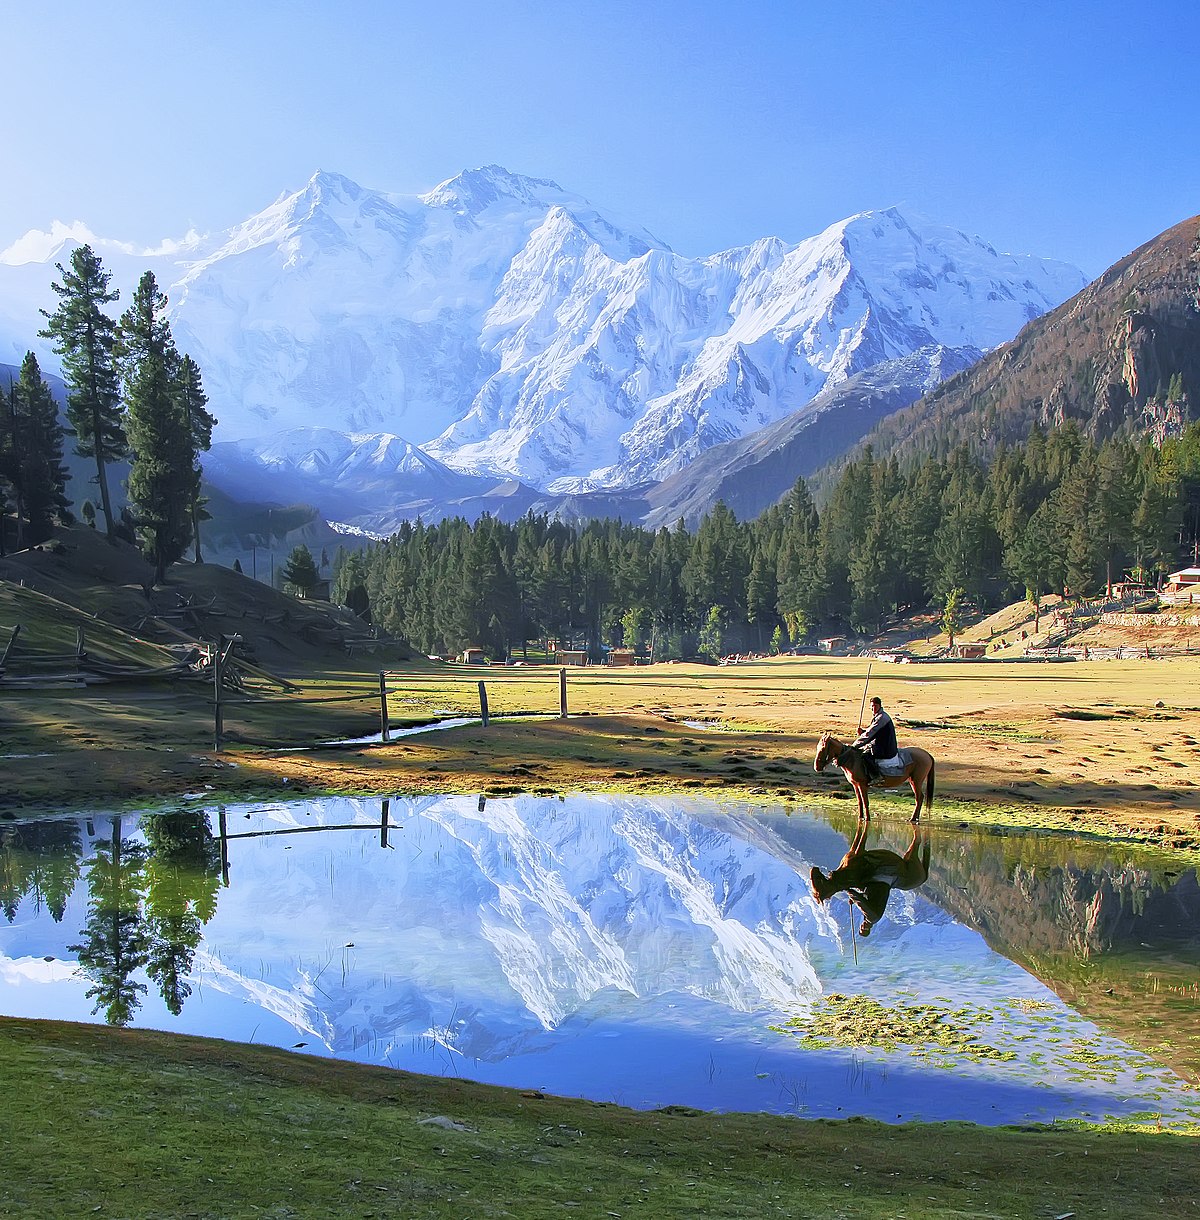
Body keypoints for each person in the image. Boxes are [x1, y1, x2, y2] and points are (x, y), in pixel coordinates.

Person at [809, 821, 930, 936]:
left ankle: (918, 832)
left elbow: (865, 904)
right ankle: (917, 834)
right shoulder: (872, 914)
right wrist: (853, 895)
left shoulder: (868, 907)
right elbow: (868, 910)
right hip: (894, 878)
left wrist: (855, 895)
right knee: (880, 874)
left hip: (878, 882)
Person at [851, 696, 900, 780]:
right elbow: (873, 732)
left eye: (875, 706)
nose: (873, 708)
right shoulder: (879, 716)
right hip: (880, 744)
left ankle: (876, 777)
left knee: (864, 755)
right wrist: (863, 732)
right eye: (872, 706)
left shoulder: (881, 718)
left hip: (885, 748)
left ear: (880, 706)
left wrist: (854, 746)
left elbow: (870, 734)